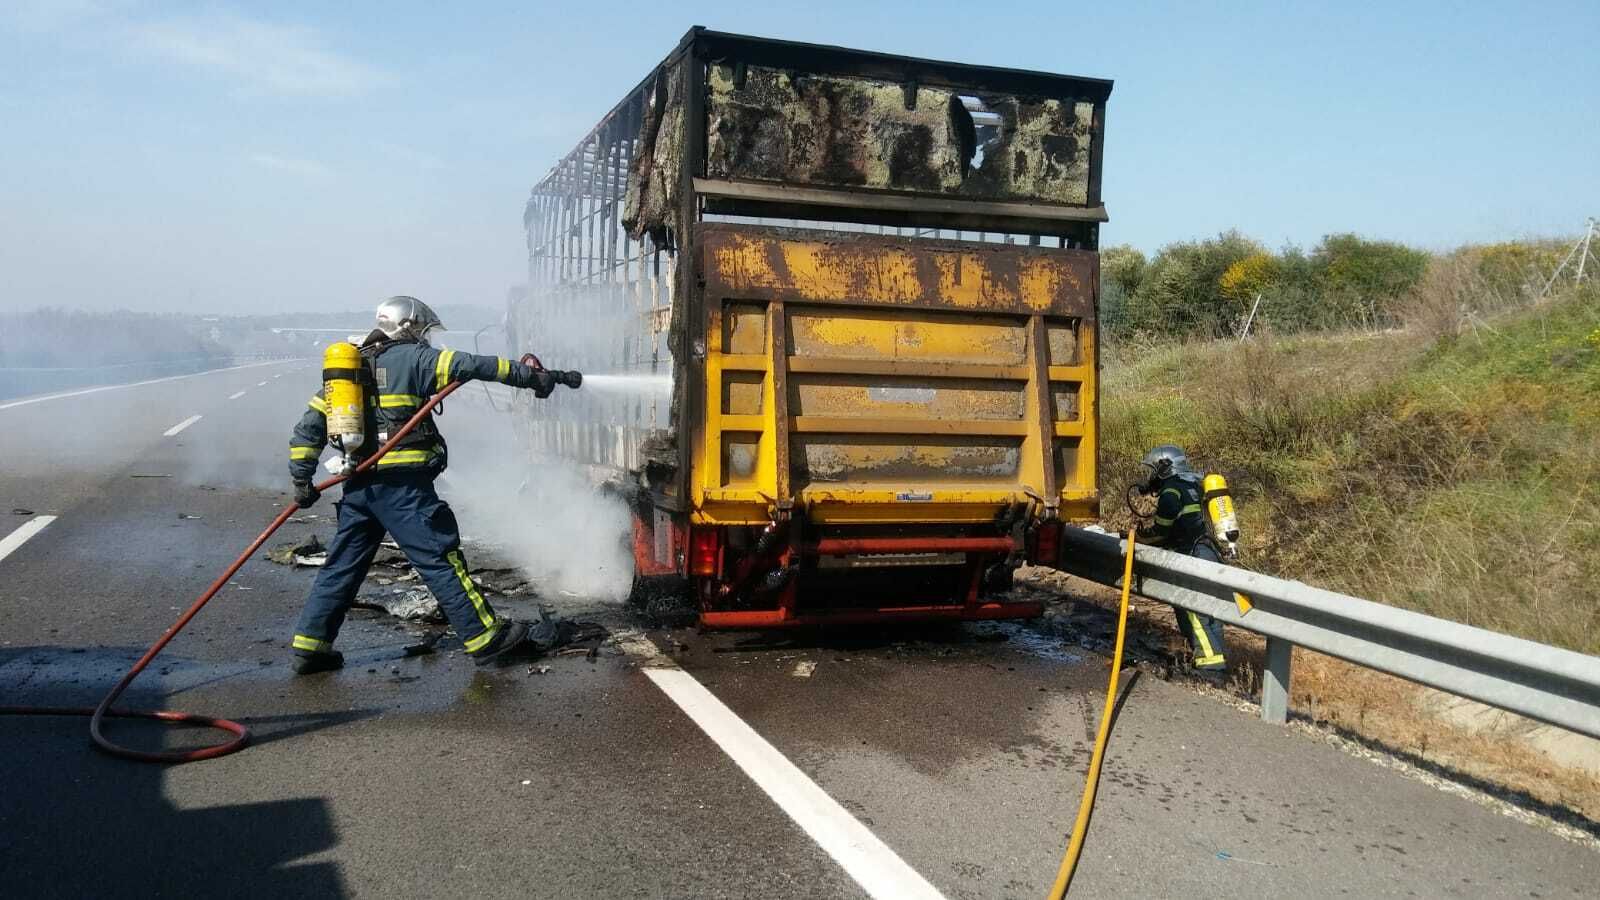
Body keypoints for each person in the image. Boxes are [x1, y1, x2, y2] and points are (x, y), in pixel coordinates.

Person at [285, 296, 582, 674]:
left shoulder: (349, 368)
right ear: (409, 326)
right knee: (442, 561)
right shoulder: (415, 358)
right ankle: (486, 637)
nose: (426, 339)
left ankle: (310, 645)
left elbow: (308, 428)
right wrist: (535, 378)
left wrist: (302, 480)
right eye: (423, 331)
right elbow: (473, 365)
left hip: (360, 489)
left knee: (341, 566)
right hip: (403, 490)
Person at [1136, 444, 1228, 677]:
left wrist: (1139, 538)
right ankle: (1215, 663)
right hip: (1207, 551)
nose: (1152, 475)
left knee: (1192, 611)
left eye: (1154, 469)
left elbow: (1161, 532)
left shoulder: (1170, 492)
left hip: (1191, 554)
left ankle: (1211, 668)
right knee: (1209, 613)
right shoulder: (1192, 484)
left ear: (1164, 467)